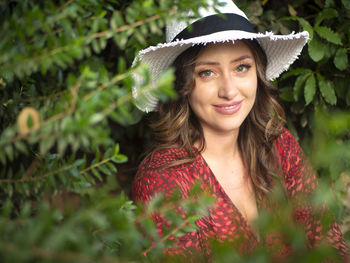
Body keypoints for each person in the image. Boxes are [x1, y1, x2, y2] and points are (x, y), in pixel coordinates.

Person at [131, 0, 349, 261]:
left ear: (257, 73)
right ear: (180, 84)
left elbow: (328, 242)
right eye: (207, 73)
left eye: (241, 67)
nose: (229, 91)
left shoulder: (278, 144)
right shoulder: (163, 181)